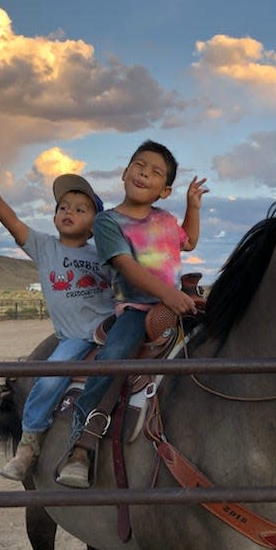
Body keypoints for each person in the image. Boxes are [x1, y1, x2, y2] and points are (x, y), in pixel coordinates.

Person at [56, 140, 208, 488]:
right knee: (114, 355)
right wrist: (168, 296)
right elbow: (125, 266)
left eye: (155, 172)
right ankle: (82, 443)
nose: (144, 173)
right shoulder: (108, 222)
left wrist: (192, 206)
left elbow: (189, 242)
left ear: (165, 190)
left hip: (178, 302)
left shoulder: (167, 218)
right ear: (125, 173)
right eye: (139, 165)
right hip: (139, 308)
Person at [0, 154, 114, 481]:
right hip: (75, 338)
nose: (69, 212)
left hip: (110, 330)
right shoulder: (44, 247)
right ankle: (29, 443)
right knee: (50, 379)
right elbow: (11, 221)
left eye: (81, 209)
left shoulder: (103, 254)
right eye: (63, 207)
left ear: (96, 223)